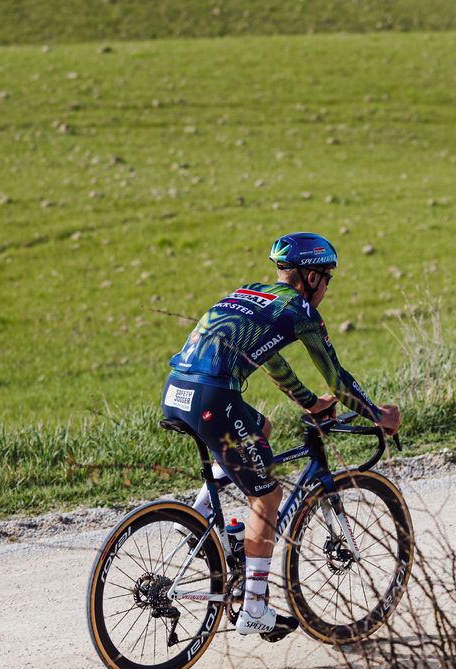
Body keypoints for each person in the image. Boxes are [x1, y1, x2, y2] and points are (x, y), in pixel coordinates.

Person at [160, 232, 401, 638]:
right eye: (326, 277)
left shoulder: (253, 293)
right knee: (267, 496)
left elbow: (268, 358)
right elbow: (339, 381)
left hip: (176, 390)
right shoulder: (302, 311)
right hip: (213, 397)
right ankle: (254, 606)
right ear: (310, 277)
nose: (326, 287)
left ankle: (199, 518)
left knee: (262, 430)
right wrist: (378, 415)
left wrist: (308, 401)